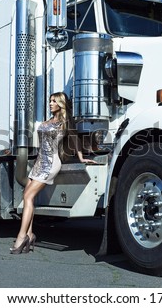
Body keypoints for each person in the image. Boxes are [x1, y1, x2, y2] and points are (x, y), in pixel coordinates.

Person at [10, 92, 96, 254]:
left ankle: (21, 237)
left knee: (28, 197)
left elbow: (75, 140)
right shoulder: (49, 121)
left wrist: (81, 158)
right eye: (49, 100)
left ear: (61, 104)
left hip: (50, 164)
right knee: (27, 197)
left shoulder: (65, 122)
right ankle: (29, 234)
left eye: (54, 101)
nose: (50, 103)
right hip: (38, 163)